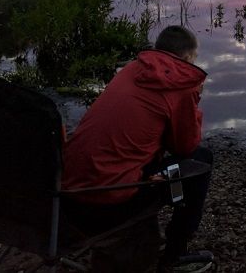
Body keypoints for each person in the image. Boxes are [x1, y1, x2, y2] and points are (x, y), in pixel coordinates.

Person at [62, 25, 214, 271]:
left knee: (166, 164)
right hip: (112, 201)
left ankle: (171, 205)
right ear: (187, 58)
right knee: (201, 161)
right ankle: (174, 253)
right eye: (193, 60)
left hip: (68, 195)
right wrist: (193, 102)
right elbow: (184, 147)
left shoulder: (133, 69)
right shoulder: (181, 83)